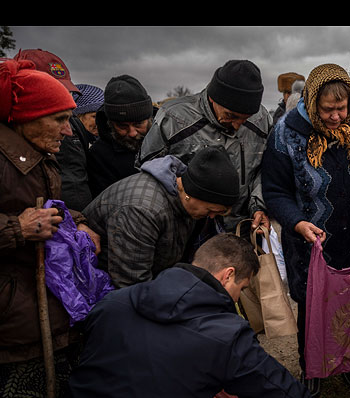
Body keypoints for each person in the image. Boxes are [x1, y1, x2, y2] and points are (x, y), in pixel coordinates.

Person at [49, 233, 350, 398]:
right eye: (242, 288)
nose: (238, 299)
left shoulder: (115, 302)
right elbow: (278, 392)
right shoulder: (225, 333)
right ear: (227, 275)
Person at [261, 63, 350, 397]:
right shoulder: (286, 133)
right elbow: (276, 191)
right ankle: (313, 366)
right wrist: (296, 221)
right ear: (310, 103)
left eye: (343, 108)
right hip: (311, 241)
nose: (337, 117)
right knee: (313, 305)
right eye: (327, 110)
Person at [0, 59, 100, 398]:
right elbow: (23, 216)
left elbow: (49, 207)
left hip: (46, 303)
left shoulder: (40, 153)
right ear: (26, 118)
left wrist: (80, 222)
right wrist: (16, 229)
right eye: (57, 119)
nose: (66, 129)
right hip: (13, 314)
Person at [136, 59, 272, 236]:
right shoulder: (174, 119)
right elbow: (148, 169)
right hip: (185, 229)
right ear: (213, 98)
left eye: (245, 119)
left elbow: (267, 168)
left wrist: (258, 205)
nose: (238, 126)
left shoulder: (261, 120)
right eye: (231, 116)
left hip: (242, 227)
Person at [82, 146, 239, 289]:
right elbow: (132, 284)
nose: (211, 217)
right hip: (97, 289)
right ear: (192, 194)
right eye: (211, 210)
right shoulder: (143, 211)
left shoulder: (182, 200)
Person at [14, 48, 95, 212]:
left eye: (65, 90)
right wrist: (19, 227)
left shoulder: (73, 124)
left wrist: (78, 220)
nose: (66, 130)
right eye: (50, 89)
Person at [87, 74, 156, 198]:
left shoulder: (169, 138)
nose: (132, 133)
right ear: (110, 124)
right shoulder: (99, 155)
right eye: (122, 127)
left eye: (139, 124)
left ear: (150, 118)